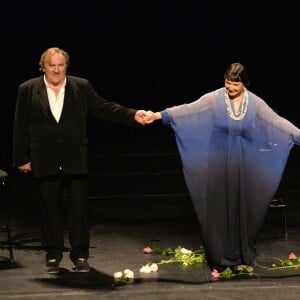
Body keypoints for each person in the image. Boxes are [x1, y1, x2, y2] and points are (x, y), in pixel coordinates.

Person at [146, 62, 300, 270]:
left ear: (245, 84)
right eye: (228, 83)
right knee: (219, 206)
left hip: (242, 162)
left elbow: (277, 122)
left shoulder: (254, 103)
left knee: (242, 206)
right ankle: (219, 253)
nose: (230, 88)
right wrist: (158, 115)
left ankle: (241, 251)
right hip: (218, 161)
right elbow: (188, 110)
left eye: (235, 85)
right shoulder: (215, 98)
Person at [13, 47, 150, 274]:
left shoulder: (80, 86)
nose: (56, 70)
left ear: (66, 66)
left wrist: (132, 114)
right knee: (50, 209)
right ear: (43, 66)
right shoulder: (27, 89)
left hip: (74, 158)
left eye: (60, 65)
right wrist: (22, 158)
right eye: (51, 65)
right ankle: (53, 255)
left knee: (78, 210)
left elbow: (104, 109)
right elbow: (20, 125)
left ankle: (80, 256)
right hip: (44, 157)